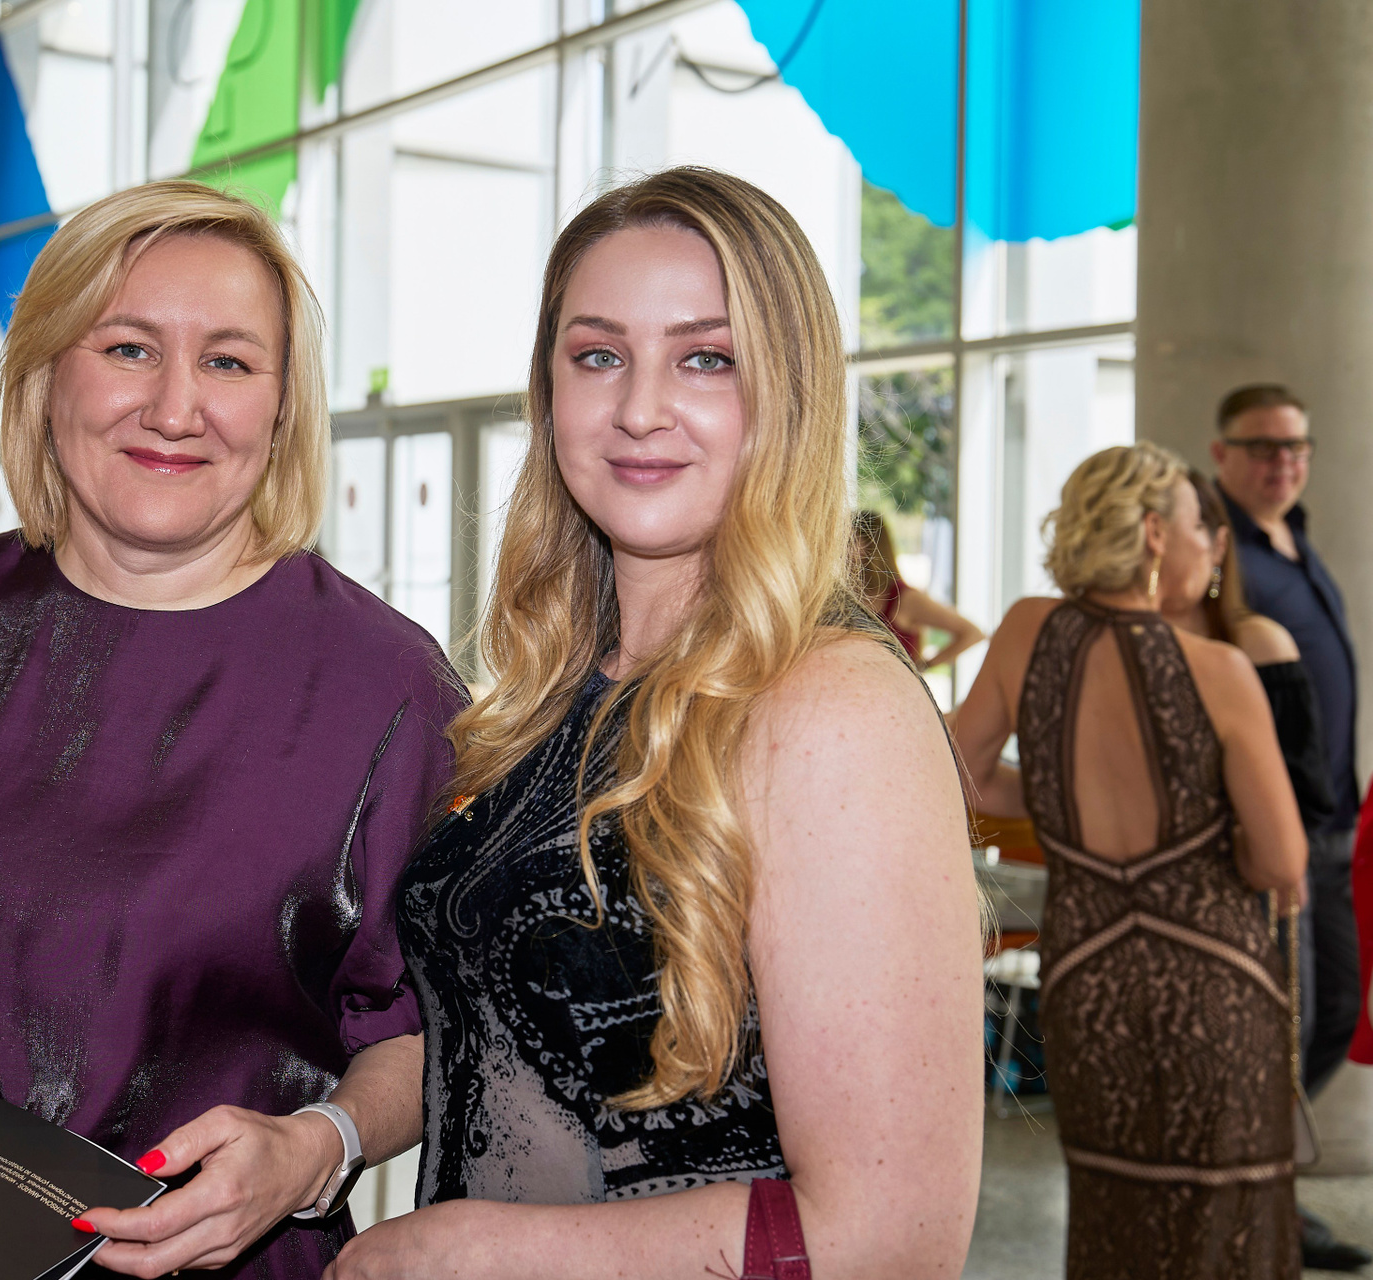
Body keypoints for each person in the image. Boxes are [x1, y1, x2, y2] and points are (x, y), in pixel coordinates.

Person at [0, 181, 461, 1280]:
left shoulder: (383, 690)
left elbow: (427, 1029)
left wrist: (320, 1146)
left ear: (282, 406)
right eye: (128, 349)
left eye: (228, 361)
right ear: (45, 376)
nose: (175, 407)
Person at [332, 168, 984, 1279]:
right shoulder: (554, 694)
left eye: (705, 359)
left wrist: (476, 1252)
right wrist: (323, 1137)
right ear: (549, 390)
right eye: (598, 356)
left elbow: (891, 1239)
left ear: (788, 394)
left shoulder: (831, 709)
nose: (640, 409)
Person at [956, 441, 1306, 1279]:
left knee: (1113, 1214)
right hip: (1212, 983)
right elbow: (1280, 859)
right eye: (1197, 526)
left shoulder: (1027, 629)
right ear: (1153, 534)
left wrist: (1067, 800)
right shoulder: (1221, 669)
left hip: (1089, 983)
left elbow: (963, 774)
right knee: (1223, 1219)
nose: (1210, 547)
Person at [1209, 384, 1369, 1273]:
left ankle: (1257, 1173)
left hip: (1337, 824)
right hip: (1285, 841)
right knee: (1291, 1023)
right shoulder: (1222, 554)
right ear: (1222, 453)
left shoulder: (1291, 539)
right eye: (1265, 447)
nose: (1284, 462)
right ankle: (1258, 1193)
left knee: (1338, 1006)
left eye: (1296, 447)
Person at [1163, 471, 1333, 828]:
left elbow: (1306, 798)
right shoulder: (1114, 648)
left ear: (1218, 546)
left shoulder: (1261, 644)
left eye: (1176, 528)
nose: (1158, 549)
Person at [852, 508, 985, 668]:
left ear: (870, 545)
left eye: (850, 541)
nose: (841, 550)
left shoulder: (905, 598)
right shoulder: (847, 597)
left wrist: (922, 667)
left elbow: (972, 633)